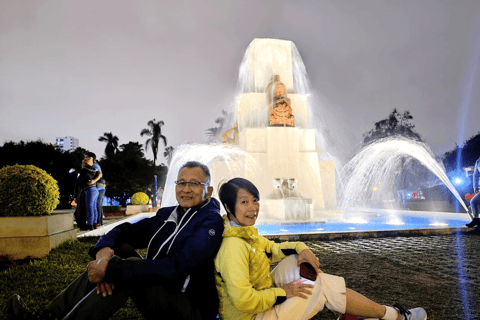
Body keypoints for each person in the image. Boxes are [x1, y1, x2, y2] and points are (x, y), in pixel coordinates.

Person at [6, 161, 224, 320]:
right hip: (160, 290)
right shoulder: (168, 214)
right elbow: (124, 231)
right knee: (120, 255)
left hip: (189, 307)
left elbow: (176, 268)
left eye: (194, 184)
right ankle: (48, 316)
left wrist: (113, 270)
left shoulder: (211, 222)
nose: (186, 189)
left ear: (208, 191)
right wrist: (104, 256)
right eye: (182, 182)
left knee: (125, 275)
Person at [214, 177, 427, 320]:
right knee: (321, 286)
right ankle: (395, 316)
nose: (253, 208)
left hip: (260, 298)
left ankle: (350, 308)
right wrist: (282, 293)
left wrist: (302, 248)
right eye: (244, 202)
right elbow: (243, 301)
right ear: (228, 207)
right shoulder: (233, 247)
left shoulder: (245, 234)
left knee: (296, 260)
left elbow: (273, 249)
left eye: (255, 200)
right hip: (250, 317)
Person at [74, 154, 100, 230]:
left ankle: (90, 224)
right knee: (94, 208)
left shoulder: (84, 170)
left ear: (85, 163)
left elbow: (80, 182)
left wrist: (76, 194)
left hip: (89, 190)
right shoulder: (94, 170)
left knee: (90, 208)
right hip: (95, 189)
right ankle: (95, 223)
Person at [86, 152, 106, 227]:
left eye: (87, 157)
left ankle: (99, 221)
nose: (85, 158)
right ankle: (98, 221)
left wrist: (94, 181)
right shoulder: (90, 166)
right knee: (96, 205)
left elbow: (100, 174)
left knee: (98, 205)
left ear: (91, 158)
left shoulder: (94, 165)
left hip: (99, 188)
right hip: (97, 187)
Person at [466, 156, 480, 228]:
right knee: (473, 202)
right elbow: (476, 175)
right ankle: (476, 220)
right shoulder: (478, 161)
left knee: (474, 202)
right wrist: (475, 187)